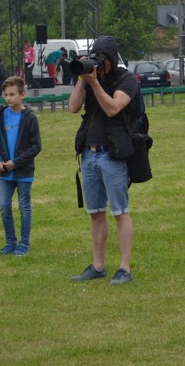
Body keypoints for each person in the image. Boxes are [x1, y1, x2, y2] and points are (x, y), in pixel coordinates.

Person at [68, 36, 137, 285]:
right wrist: (82, 79)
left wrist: (95, 84)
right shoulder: (89, 79)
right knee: (95, 213)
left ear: (111, 58)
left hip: (113, 154)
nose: (98, 64)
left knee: (120, 212)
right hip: (89, 154)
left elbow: (112, 108)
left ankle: (124, 268)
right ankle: (98, 266)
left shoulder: (125, 79)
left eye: (102, 59)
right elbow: (73, 107)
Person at [0, 76, 42, 256]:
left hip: (23, 171)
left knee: (24, 206)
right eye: (5, 95)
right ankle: (10, 242)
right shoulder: (0, 117)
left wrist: (16, 162)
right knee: (4, 206)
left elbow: (36, 146)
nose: (8, 98)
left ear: (22, 94)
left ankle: (24, 244)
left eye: (12, 94)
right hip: (5, 172)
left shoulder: (30, 118)